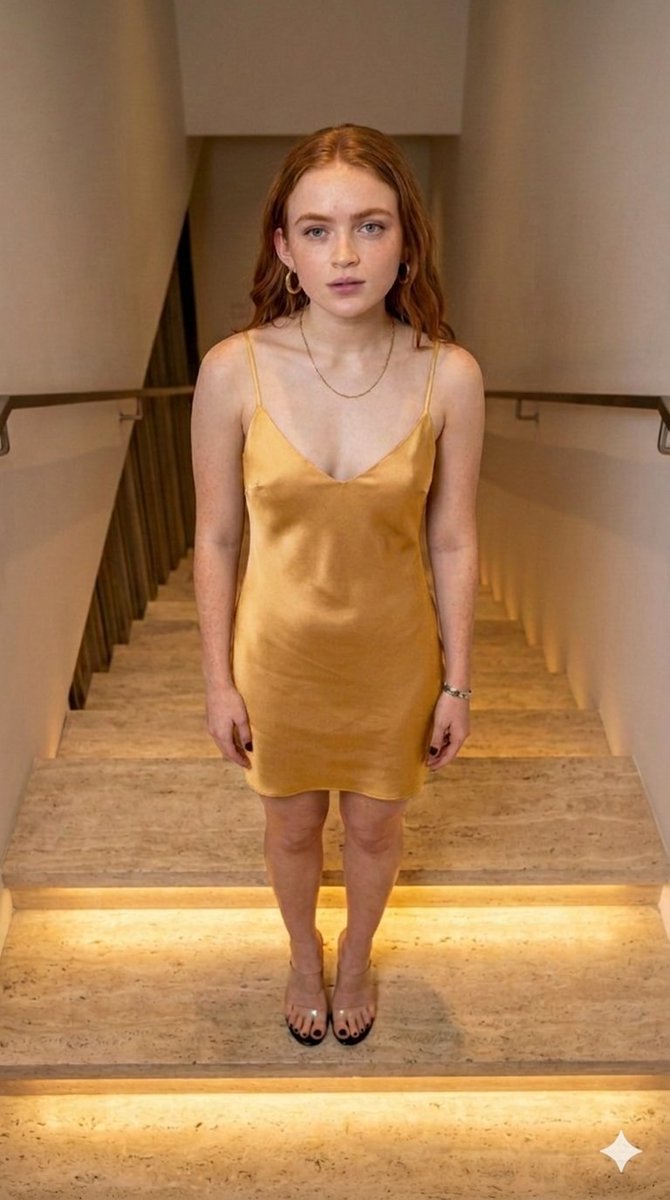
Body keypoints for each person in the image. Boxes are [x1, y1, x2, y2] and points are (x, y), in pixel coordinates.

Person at [190, 124, 485, 1048]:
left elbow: (453, 538)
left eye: (370, 225)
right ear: (284, 246)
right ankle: (301, 954)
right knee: (289, 833)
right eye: (318, 230)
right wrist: (217, 680)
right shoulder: (233, 370)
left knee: (374, 833)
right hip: (278, 656)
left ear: (406, 240)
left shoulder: (451, 376)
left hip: (393, 660)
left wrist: (458, 682)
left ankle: (356, 955)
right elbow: (217, 536)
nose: (345, 254)